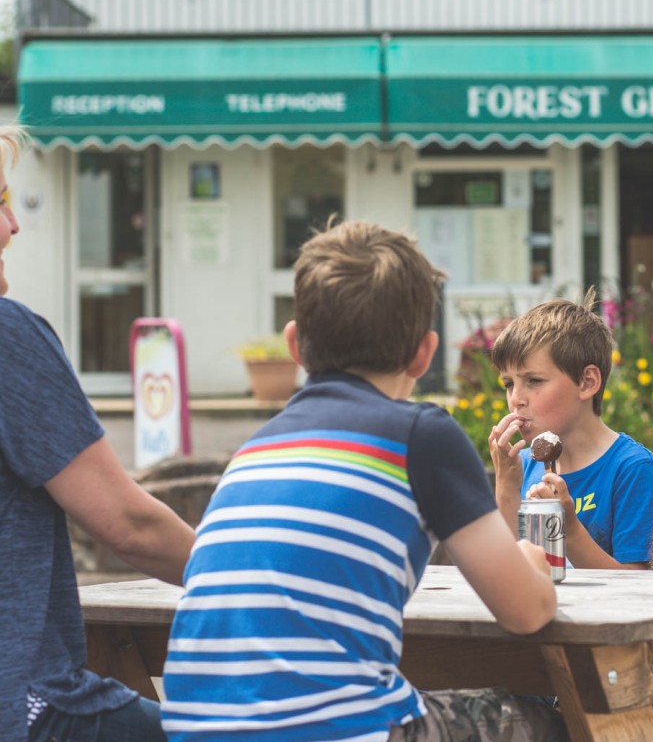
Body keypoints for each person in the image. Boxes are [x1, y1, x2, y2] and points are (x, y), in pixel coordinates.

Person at [160, 219, 567, 742]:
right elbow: (526, 612)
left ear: (295, 346)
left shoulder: (256, 448)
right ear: (424, 353)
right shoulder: (420, 435)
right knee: (554, 720)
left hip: (193, 731)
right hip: (344, 730)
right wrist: (534, 558)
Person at [0, 123, 197, 742]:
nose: (14, 225)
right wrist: (244, 577)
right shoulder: (9, 339)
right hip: (27, 705)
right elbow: (127, 524)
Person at [489, 288, 653, 570]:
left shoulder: (633, 470)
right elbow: (503, 571)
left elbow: (636, 587)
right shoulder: (522, 466)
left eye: (533, 381)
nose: (516, 398)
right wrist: (506, 488)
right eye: (509, 384)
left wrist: (568, 528)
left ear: (586, 383)